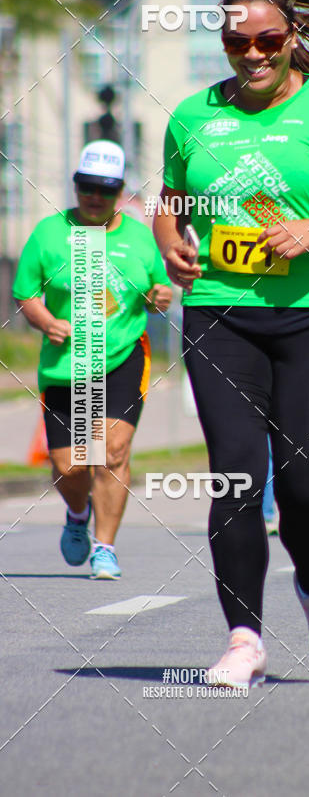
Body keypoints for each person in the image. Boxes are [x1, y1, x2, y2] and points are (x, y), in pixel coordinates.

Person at [153, 0, 309, 687]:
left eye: (266, 40)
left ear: (291, 38)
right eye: (236, 41)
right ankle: (243, 638)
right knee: (236, 478)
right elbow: (168, 201)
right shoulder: (192, 117)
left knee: (304, 485)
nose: (251, 53)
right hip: (221, 316)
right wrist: (170, 241)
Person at [13, 140, 172, 578]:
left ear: (120, 190)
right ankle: (78, 514)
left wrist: (161, 297)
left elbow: (160, 293)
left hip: (122, 356)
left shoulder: (139, 236)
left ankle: (106, 547)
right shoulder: (48, 233)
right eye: (86, 187)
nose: (95, 197)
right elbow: (25, 292)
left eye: (105, 188)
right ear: (76, 186)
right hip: (65, 364)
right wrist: (45, 321)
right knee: (70, 465)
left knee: (112, 452)